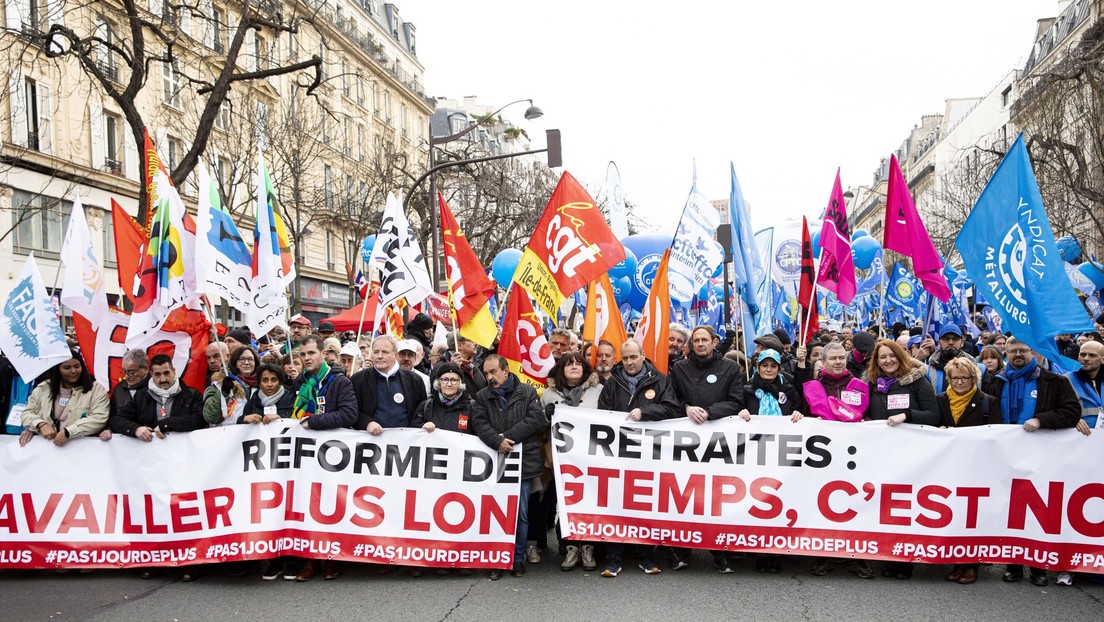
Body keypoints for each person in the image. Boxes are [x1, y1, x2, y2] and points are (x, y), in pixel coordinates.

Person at [983, 337, 1084, 587]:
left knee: (1038, 512)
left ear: (1033, 353)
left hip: (1042, 457)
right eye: (1013, 350)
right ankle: (1013, 564)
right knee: (1010, 512)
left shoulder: (1054, 381)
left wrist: (1041, 419)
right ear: (1005, 352)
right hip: (1004, 457)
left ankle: (1038, 566)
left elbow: (1072, 411)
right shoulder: (995, 381)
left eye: (1023, 351)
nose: (1018, 355)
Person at [596, 340, 680, 577]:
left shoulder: (660, 380)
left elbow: (673, 409)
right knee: (615, 505)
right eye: (625, 358)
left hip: (650, 457)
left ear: (643, 355)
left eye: (634, 357)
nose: (630, 363)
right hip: (620, 456)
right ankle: (613, 557)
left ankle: (646, 555)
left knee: (644, 505)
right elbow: (603, 416)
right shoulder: (612, 384)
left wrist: (645, 413)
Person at [670, 325, 745, 572]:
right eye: (696, 340)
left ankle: (719, 552)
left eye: (705, 340)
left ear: (714, 342)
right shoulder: (679, 368)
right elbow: (671, 399)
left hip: (718, 443)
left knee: (716, 498)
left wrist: (711, 413)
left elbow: (736, 401)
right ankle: (680, 549)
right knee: (684, 495)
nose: (700, 344)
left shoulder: (730, 368)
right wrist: (686, 409)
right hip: (686, 443)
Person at [864, 339, 938, 580]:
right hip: (882, 455)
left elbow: (934, 415)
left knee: (905, 510)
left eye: (891, 356)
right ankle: (887, 554)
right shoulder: (874, 385)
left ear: (900, 356)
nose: (888, 361)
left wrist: (907, 415)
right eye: (882, 357)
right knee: (885, 508)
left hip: (912, 456)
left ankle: (905, 561)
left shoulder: (917, 381)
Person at [470, 354, 548, 580]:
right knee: (496, 514)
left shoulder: (527, 392)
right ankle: (497, 560)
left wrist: (507, 439)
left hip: (522, 463)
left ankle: (517, 558)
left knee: (520, 514)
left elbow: (536, 420)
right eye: (486, 374)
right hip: (494, 463)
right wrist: (496, 442)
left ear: (506, 371)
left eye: (493, 372)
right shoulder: (482, 396)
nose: (490, 377)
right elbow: (479, 423)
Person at [289, 335, 358, 581]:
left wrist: (314, 422)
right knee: (308, 506)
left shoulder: (339, 382)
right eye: (303, 355)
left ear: (322, 354)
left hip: (332, 456)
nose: (306, 358)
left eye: (311, 353)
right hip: (306, 456)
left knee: (330, 506)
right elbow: (292, 413)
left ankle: (331, 559)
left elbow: (349, 414)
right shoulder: (301, 382)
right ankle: (310, 560)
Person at [737, 349, 805, 575]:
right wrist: (741, 412)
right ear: (757, 367)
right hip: (755, 454)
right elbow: (735, 408)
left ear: (778, 368)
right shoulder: (747, 389)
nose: (768, 369)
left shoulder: (788, 389)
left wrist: (798, 415)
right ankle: (757, 550)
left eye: (773, 366)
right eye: (764, 365)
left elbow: (800, 408)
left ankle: (775, 552)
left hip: (781, 456)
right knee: (756, 502)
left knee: (778, 502)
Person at [937, 357, 1001, 585]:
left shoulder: (988, 402)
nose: (960, 382)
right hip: (950, 467)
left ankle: (971, 564)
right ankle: (957, 562)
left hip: (977, 467)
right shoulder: (941, 400)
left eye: (964, 377)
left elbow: (995, 433)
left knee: (972, 517)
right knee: (955, 516)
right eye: (955, 378)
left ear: (973, 378)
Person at [541, 352, 603, 572]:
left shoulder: (598, 391)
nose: (574, 366)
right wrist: (545, 416)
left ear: (585, 368)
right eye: (569, 364)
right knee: (564, 505)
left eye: (578, 363)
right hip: (562, 458)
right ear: (561, 369)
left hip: (592, 457)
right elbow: (539, 424)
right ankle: (569, 547)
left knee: (588, 502)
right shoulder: (548, 394)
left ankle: (588, 546)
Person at [19, 350, 109, 447]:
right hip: (48, 448)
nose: (73, 371)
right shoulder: (43, 388)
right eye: (67, 368)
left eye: (77, 366)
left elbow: (99, 418)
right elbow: (27, 413)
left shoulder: (96, 389)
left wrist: (68, 432)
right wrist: (40, 425)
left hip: (82, 449)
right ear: (57, 369)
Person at [351, 335, 428, 440]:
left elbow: (421, 411)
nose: (379, 356)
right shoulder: (358, 380)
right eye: (376, 352)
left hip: (406, 443)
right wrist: (367, 423)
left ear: (395, 355)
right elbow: (351, 410)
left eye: (385, 352)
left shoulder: (414, 380)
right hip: (370, 442)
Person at [412, 362, 473, 435]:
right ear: (439, 382)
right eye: (445, 379)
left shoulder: (471, 407)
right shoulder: (426, 406)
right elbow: (413, 432)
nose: (449, 384)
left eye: (454, 380)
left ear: (460, 383)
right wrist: (422, 427)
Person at [105, 348, 150, 440]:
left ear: (145, 369)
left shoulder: (156, 388)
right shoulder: (119, 389)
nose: (126, 376)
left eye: (131, 372)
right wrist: (108, 429)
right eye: (124, 372)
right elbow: (113, 417)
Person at [922, 325, 975, 393]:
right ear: (939, 343)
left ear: (962, 342)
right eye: (946, 339)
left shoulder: (974, 367)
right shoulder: (928, 369)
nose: (950, 342)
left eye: (955, 339)